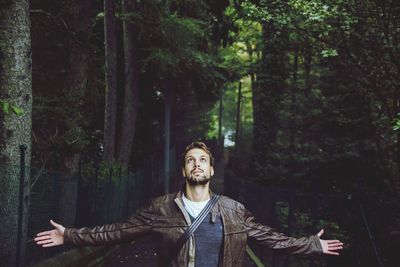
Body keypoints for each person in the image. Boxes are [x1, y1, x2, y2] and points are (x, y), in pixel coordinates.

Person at [35, 141, 343, 267]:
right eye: (190, 161)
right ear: (183, 170)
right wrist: (70, 235)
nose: (197, 165)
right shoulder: (161, 209)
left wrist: (311, 245)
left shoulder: (234, 210)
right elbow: (116, 231)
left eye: (202, 160)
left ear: (211, 170)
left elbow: (271, 238)